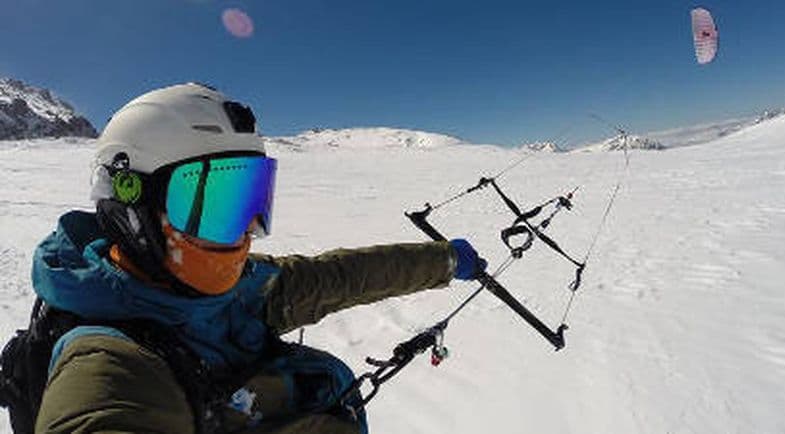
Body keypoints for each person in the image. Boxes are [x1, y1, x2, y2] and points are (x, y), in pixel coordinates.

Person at [22, 83, 486, 434]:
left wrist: (442, 261)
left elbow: (341, 276)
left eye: (249, 201)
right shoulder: (106, 363)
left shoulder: (238, 291)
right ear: (131, 204)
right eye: (213, 205)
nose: (245, 229)